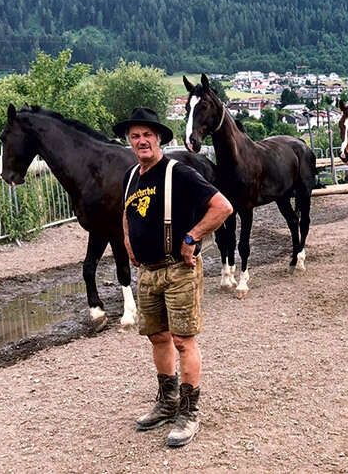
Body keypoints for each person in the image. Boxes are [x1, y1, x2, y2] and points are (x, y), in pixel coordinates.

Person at [114, 107, 233, 447]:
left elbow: (222, 207)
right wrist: (127, 240)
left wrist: (193, 237)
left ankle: (189, 412)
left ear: (159, 139)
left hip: (178, 270)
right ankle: (167, 403)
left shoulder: (177, 173)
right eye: (135, 136)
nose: (141, 141)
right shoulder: (130, 177)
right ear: (129, 141)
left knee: (183, 341)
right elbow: (126, 213)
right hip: (148, 273)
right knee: (158, 337)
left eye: (147, 135)